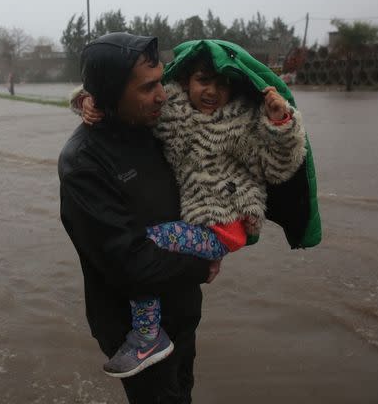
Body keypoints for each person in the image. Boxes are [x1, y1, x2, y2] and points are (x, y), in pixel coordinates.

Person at [73, 42, 310, 378]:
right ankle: (151, 334)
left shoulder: (240, 122)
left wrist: (281, 123)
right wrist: (86, 99)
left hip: (224, 225)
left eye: (222, 83)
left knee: (148, 242)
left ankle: (147, 334)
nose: (212, 91)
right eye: (203, 80)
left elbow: (276, 167)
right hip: (194, 234)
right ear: (186, 81)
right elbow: (122, 93)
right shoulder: (168, 110)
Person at [58, 33, 222, 403]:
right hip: (135, 332)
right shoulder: (84, 163)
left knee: (184, 391)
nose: (162, 95)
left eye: (161, 81)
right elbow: (129, 263)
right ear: (111, 94)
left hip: (183, 311)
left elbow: (231, 100)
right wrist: (201, 267)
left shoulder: (157, 125)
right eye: (148, 87)